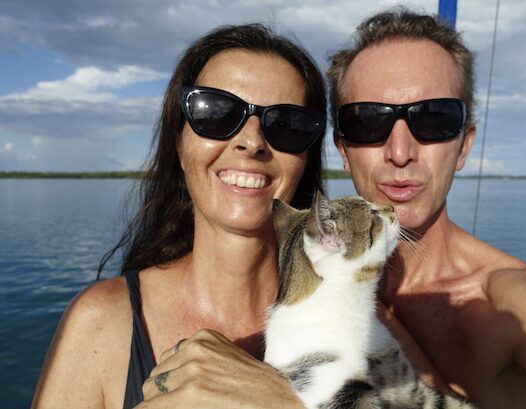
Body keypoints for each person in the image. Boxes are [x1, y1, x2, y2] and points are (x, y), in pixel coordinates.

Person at [327, 7, 526, 409]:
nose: (400, 152)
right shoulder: (315, 265)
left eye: (434, 119)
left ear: (464, 146)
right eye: (368, 121)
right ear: (343, 150)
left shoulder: (512, 305)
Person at [32, 24, 327, 408]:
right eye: (216, 113)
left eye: (286, 124)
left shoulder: (354, 320)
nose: (252, 141)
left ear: (306, 158)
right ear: (178, 143)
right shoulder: (101, 323)